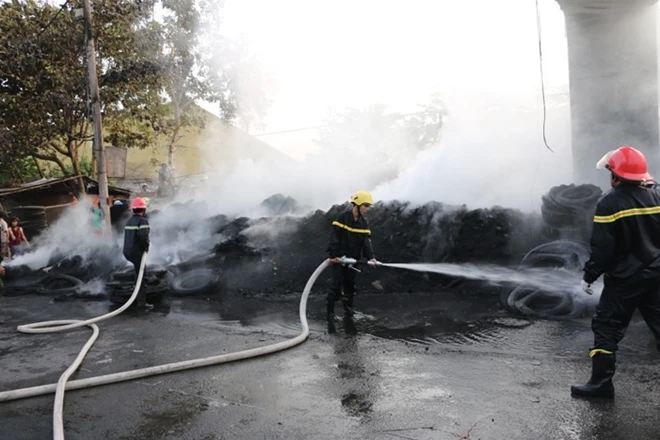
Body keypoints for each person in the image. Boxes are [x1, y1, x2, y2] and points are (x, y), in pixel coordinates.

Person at [572, 146, 660, 398]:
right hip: (655, 276)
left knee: (606, 327)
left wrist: (589, 275)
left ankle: (600, 384)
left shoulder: (609, 203)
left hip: (624, 281)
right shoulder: (657, 197)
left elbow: (603, 248)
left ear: (616, 176)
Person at [326, 190, 379, 334]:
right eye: (366, 205)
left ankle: (348, 311)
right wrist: (333, 255)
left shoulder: (363, 223)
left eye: (369, 206)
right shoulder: (342, 218)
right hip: (339, 260)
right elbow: (334, 237)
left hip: (353, 261)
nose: (367, 209)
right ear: (357, 204)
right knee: (336, 286)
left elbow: (366, 242)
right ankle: (330, 314)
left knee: (350, 286)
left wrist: (371, 257)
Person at [122, 197, 152, 309]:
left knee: (137, 273)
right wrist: (146, 247)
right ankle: (141, 303)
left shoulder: (129, 221)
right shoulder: (143, 221)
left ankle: (134, 295)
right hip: (137, 252)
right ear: (143, 210)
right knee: (142, 276)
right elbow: (143, 236)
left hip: (127, 252)